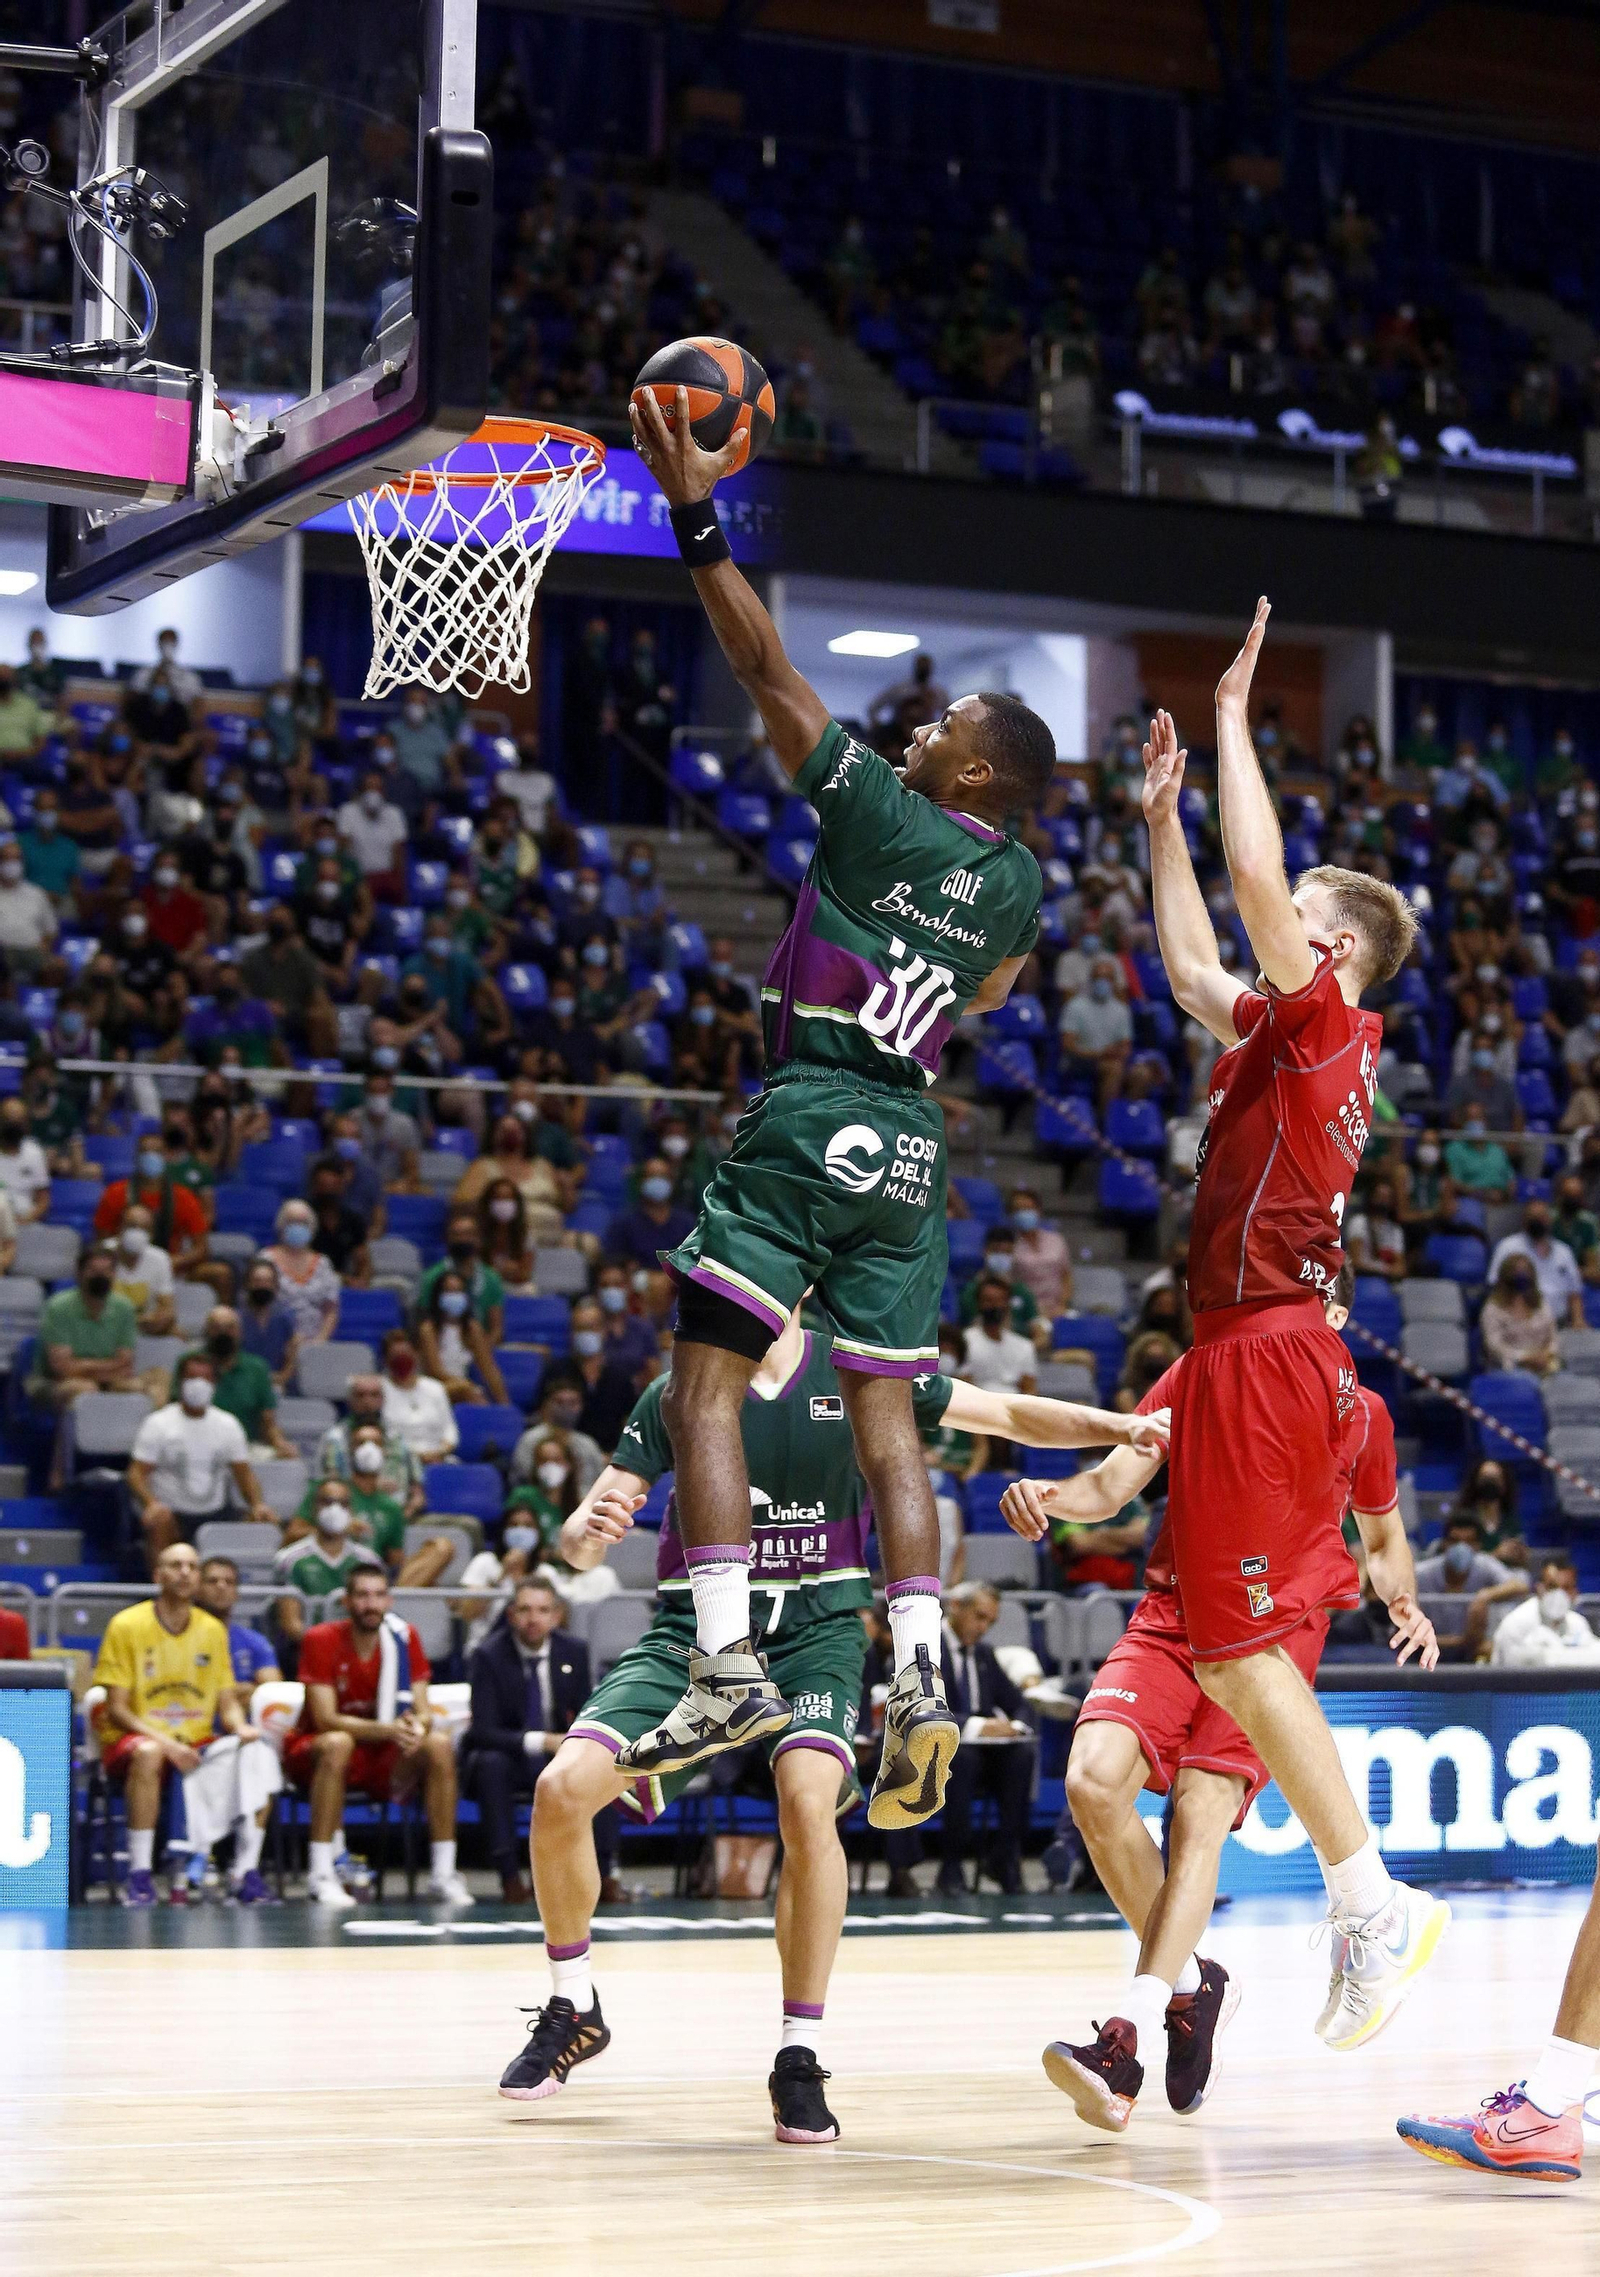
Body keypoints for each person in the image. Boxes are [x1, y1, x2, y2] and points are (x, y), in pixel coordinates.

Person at [618, 385, 1052, 1836]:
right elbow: (988, 994)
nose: (920, 727)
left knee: (704, 1388)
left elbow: (761, 661)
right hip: (916, 1145)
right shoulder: (1019, 881)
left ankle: (727, 1658)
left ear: (970, 769)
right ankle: (924, 1673)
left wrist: (695, 513)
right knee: (891, 1429)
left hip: (813, 1105)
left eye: (944, 724)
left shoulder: (876, 804)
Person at [496, 1295, 1163, 2123]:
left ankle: (797, 2050)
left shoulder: (858, 1370)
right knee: (562, 1788)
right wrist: (585, 1528)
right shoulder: (680, 1384)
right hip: (692, 1635)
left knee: (808, 1803)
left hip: (816, 1633)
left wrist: (1119, 1424)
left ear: (799, 1282)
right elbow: (579, 1541)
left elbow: (1009, 1410)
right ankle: (574, 2005)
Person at [1131, 602, 1444, 2086]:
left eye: (1298, 908)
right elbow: (1196, 966)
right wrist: (1161, 821)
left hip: (1265, 1353)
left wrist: (1243, 725)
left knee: (1248, 1642)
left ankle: (1371, 1897)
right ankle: (1366, 1895)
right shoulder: (1274, 1026)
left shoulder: (1328, 1026)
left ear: (1331, 946)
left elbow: (1258, 884)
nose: (1278, 916)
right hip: (1236, 1347)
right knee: (1229, 1642)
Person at [1005, 1269, 1435, 2127]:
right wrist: (1047, 1497)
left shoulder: (1363, 1412)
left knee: (1199, 1818)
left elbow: (1382, 1533)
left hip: (1278, 1636)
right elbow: (1110, 1485)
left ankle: (1123, 2037)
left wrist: (1404, 1598)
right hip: (1176, 1610)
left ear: (1338, 1316)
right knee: (1093, 1782)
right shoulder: (1202, 1370)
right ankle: (1195, 1983)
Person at [94, 1541, 282, 1907]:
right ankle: (140, 1876)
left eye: (191, 1566)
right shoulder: (126, 1625)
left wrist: (241, 1727)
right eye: (175, 1565)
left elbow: (226, 1703)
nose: (184, 1572)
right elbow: (116, 1709)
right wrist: (168, 1745)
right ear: (157, 1575)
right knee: (149, 1754)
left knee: (259, 1755)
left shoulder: (212, 1630)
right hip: (135, 1739)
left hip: (195, 1743)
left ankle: (245, 1873)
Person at [284, 1564, 472, 1907]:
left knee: (439, 1745)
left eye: (378, 1595)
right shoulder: (320, 1638)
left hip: (381, 1754)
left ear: (390, 1599)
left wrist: (419, 1727)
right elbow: (325, 1720)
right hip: (317, 1751)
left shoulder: (404, 1637)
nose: (371, 1604)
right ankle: (321, 1873)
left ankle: (444, 1874)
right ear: (346, 1601)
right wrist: (389, 1729)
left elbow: (422, 1706)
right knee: (338, 1743)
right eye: (362, 1595)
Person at [877, 1581, 1034, 1896]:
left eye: (990, 1621)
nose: (983, 1627)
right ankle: (951, 1866)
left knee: (1022, 1756)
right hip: (930, 1750)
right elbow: (918, 1707)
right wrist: (976, 1726)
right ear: (955, 1608)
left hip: (981, 1752)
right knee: (962, 1758)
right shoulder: (925, 1650)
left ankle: (1005, 1857)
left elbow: (1019, 1703)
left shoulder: (985, 1655)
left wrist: (1015, 1725)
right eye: (979, 1617)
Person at [462, 1578, 597, 1904]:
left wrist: (576, 1744)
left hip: (558, 1756)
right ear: (510, 1614)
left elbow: (587, 1713)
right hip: (510, 1755)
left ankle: (606, 1873)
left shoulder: (574, 1651)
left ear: (556, 1615)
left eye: (542, 1610)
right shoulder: (488, 1655)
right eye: (524, 1610)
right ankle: (509, 1876)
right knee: (492, 1765)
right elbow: (483, 1731)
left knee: (596, 1761)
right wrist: (541, 1741)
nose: (533, 1618)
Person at [127, 1354, 274, 1566]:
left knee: (263, 1520)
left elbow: (244, 1474)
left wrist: (257, 1504)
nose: (198, 1384)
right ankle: (161, 1586)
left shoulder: (228, 1424)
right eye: (192, 1377)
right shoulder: (158, 1423)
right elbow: (136, 1473)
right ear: (181, 1382)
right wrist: (151, 1503)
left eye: (205, 1378)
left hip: (217, 1512)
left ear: (214, 1384)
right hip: (172, 1513)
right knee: (159, 1520)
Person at [30, 1244, 137, 1486]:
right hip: (49, 1384)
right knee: (84, 1389)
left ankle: (135, 1475)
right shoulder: (59, 1307)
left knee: (143, 1388)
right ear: (79, 1274)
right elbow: (61, 1369)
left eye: (107, 1270)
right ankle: (59, 1477)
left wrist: (83, 1365)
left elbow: (126, 1365)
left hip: (106, 1381)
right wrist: (106, 1367)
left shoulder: (124, 1309)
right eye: (93, 1270)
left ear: (114, 1275)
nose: (100, 1276)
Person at [174, 1306, 295, 1458]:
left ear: (240, 1332)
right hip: (195, 1445)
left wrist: (280, 1443)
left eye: (230, 1328)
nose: (223, 1333)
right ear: (207, 1331)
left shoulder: (257, 1368)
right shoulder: (191, 1364)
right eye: (216, 1328)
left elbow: (268, 1420)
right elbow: (175, 1410)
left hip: (246, 1447)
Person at [317, 1373, 425, 1518]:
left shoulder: (399, 1438)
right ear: (350, 1400)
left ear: (383, 1399)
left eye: (374, 1395)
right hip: (352, 1517)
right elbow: (325, 1489)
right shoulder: (334, 1439)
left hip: (400, 1515)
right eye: (360, 1395)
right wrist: (370, 1487)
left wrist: (405, 1514)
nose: (367, 1402)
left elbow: (418, 1492)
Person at [196, 1554, 281, 1709]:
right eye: (212, 1581)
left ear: (236, 1593)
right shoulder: (182, 1636)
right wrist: (245, 1689)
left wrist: (215, 1695)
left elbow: (273, 1693)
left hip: (244, 1730)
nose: (221, 1586)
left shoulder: (255, 1641)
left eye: (229, 1582)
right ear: (197, 1589)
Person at [417, 1264, 509, 1407]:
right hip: (434, 1388)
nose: (454, 1297)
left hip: (462, 1388)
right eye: (449, 1292)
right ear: (439, 1296)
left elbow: (489, 1369)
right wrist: (465, 1386)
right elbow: (435, 1370)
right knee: (472, 1395)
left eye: (458, 1292)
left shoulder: (472, 1328)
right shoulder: (429, 1329)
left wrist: (505, 1405)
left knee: (478, 1398)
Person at [1489, 1553, 1600, 1670]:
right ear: (1539, 1588)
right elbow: (1510, 1676)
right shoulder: (1516, 1624)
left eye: (1566, 1588)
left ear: (1575, 1592)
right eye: (1552, 1587)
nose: (1559, 1595)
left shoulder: (1577, 1622)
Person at [1488, 1202, 1585, 1328]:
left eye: (1541, 1218)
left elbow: (1574, 1293)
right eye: (1533, 1219)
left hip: (1559, 1324)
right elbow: (1495, 1286)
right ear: (1524, 1221)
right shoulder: (1508, 1247)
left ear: (1549, 1220)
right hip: (1519, 1323)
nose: (1537, 1222)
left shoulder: (1564, 1252)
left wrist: (1578, 1320)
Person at [260, 1198, 340, 1345]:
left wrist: (319, 1342)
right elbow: (259, 1306)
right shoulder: (266, 1259)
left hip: (316, 1344)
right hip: (276, 1341)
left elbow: (331, 1311)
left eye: (302, 1223)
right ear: (281, 1226)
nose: (297, 1227)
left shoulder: (323, 1264)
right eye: (291, 1222)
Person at [378, 1327, 458, 1463]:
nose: (402, 1359)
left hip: (438, 1458)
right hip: (398, 1460)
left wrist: (439, 1452)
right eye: (396, 1356)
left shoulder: (435, 1388)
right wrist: (416, 1456)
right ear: (386, 1360)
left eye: (406, 1354)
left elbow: (450, 1430)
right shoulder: (379, 1390)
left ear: (416, 1355)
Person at [1479, 1252, 1561, 1375]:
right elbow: (1494, 1346)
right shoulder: (1493, 1308)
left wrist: (1547, 1353)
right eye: (1517, 1270)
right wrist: (1524, 1357)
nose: (1522, 1275)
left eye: (1526, 1270)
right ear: (1506, 1275)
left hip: (1543, 1363)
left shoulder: (1540, 1303)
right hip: (1509, 1368)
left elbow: (1553, 1337)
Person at [959, 1275, 1039, 1396]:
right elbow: (962, 1386)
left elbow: (1029, 1389)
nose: (994, 1306)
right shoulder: (964, 1341)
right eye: (988, 1300)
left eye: (999, 1301)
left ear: (1007, 1304)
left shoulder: (1024, 1346)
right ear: (979, 1303)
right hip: (977, 1404)